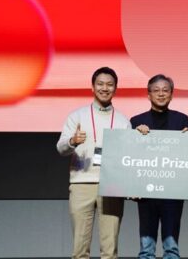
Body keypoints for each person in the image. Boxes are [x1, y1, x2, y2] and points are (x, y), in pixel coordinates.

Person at [56, 67, 131, 259]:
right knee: (80, 249)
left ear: (115, 88)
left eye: (109, 84)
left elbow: (128, 158)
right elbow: (61, 149)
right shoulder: (77, 116)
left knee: (110, 249)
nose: (104, 88)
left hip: (112, 187)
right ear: (92, 87)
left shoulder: (123, 121)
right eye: (100, 84)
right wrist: (73, 141)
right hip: (82, 184)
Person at [130, 74, 188, 259]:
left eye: (165, 90)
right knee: (146, 249)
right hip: (146, 192)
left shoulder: (183, 121)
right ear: (148, 95)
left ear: (172, 95)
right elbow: (129, 157)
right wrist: (135, 136)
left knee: (171, 248)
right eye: (156, 90)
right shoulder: (135, 122)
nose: (161, 94)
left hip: (173, 192)